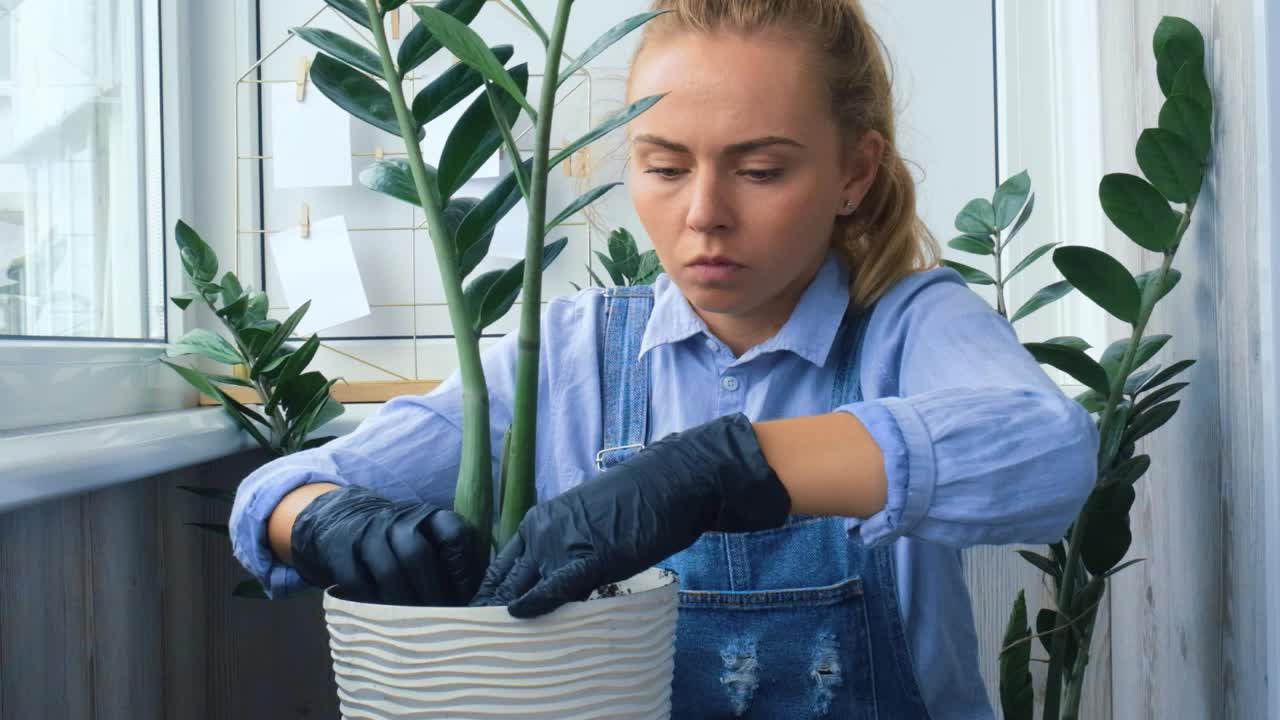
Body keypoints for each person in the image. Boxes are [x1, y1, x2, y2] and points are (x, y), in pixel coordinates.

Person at [229, 0, 1099, 716]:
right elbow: (278, 494)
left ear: (854, 173)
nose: (704, 214)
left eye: (760, 171)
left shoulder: (910, 326)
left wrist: (722, 469)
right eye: (665, 166)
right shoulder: (571, 353)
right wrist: (318, 521)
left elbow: (1050, 455)